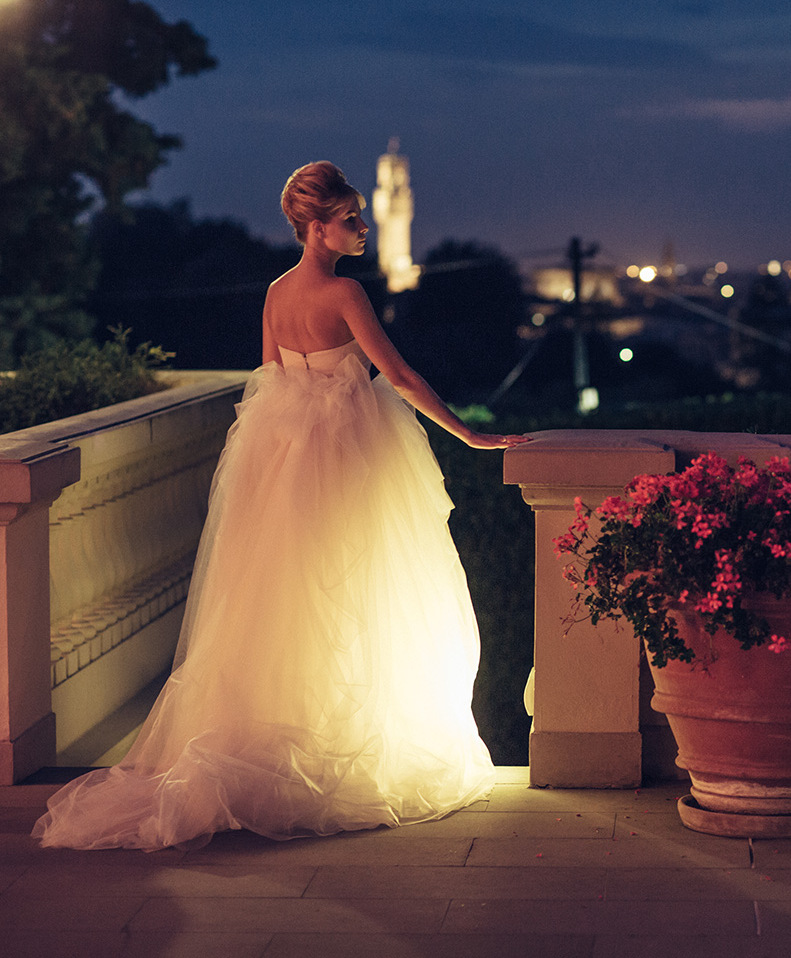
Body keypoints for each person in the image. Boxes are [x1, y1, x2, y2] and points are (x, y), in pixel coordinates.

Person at [33, 161, 528, 850]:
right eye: (351, 217)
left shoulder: (273, 292)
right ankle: (336, 743)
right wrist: (472, 433)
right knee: (355, 593)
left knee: (283, 602)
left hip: (284, 459)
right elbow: (403, 376)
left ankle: (278, 740)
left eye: (361, 215)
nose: (361, 227)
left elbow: (268, 379)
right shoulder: (345, 294)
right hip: (346, 459)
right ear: (317, 228)